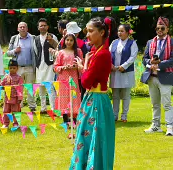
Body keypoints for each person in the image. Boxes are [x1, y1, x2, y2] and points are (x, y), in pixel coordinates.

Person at [69, 17, 116, 170]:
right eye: (86, 31)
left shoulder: (102, 55)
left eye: (90, 31)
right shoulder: (97, 51)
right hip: (92, 99)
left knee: (94, 138)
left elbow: (86, 82)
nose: (87, 35)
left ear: (102, 32)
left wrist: (83, 66)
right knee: (87, 136)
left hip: (96, 102)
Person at [141, 17, 173, 136]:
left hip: (166, 76)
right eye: (157, 28)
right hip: (152, 76)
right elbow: (144, 59)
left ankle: (170, 127)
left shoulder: (172, 42)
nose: (159, 30)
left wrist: (159, 64)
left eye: (162, 28)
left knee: (167, 104)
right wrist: (150, 64)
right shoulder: (150, 42)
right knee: (155, 104)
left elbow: (172, 60)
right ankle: (156, 126)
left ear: (167, 29)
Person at [109, 24, 138, 122]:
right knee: (115, 95)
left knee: (125, 95)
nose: (119, 33)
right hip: (114, 72)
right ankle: (114, 115)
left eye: (122, 31)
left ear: (127, 32)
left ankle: (124, 116)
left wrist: (124, 66)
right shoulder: (114, 42)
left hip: (126, 73)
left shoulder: (132, 43)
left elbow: (133, 57)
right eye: (118, 31)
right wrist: (111, 65)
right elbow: (108, 54)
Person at [54, 33, 83, 125]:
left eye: (71, 40)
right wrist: (63, 67)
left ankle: (74, 120)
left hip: (74, 78)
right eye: (67, 40)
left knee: (73, 96)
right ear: (64, 41)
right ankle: (66, 120)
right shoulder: (61, 52)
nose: (69, 42)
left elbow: (81, 65)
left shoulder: (78, 51)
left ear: (74, 41)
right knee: (64, 98)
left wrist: (76, 67)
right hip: (63, 78)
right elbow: (55, 67)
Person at [7, 22, 37, 112]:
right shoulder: (14, 38)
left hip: (30, 67)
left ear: (27, 29)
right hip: (18, 68)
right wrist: (15, 51)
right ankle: (18, 105)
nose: (22, 28)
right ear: (18, 29)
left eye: (24, 27)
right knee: (18, 87)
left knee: (30, 87)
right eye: (21, 27)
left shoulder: (33, 38)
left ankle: (32, 106)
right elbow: (8, 53)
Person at [34, 18, 58, 113]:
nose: (43, 27)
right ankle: (43, 108)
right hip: (39, 66)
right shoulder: (35, 39)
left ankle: (53, 108)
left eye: (44, 25)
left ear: (47, 27)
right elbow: (36, 52)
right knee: (41, 88)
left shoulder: (53, 36)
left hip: (50, 66)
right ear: (38, 28)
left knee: (50, 87)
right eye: (41, 26)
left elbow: (58, 49)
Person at [0, 59, 23, 128]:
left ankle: (16, 123)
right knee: (6, 111)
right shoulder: (6, 77)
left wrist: (20, 98)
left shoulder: (19, 78)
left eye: (14, 68)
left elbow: (20, 89)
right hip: (7, 98)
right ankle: (5, 124)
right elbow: (1, 85)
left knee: (15, 111)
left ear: (17, 68)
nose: (12, 69)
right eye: (10, 68)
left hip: (15, 98)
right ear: (8, 68)